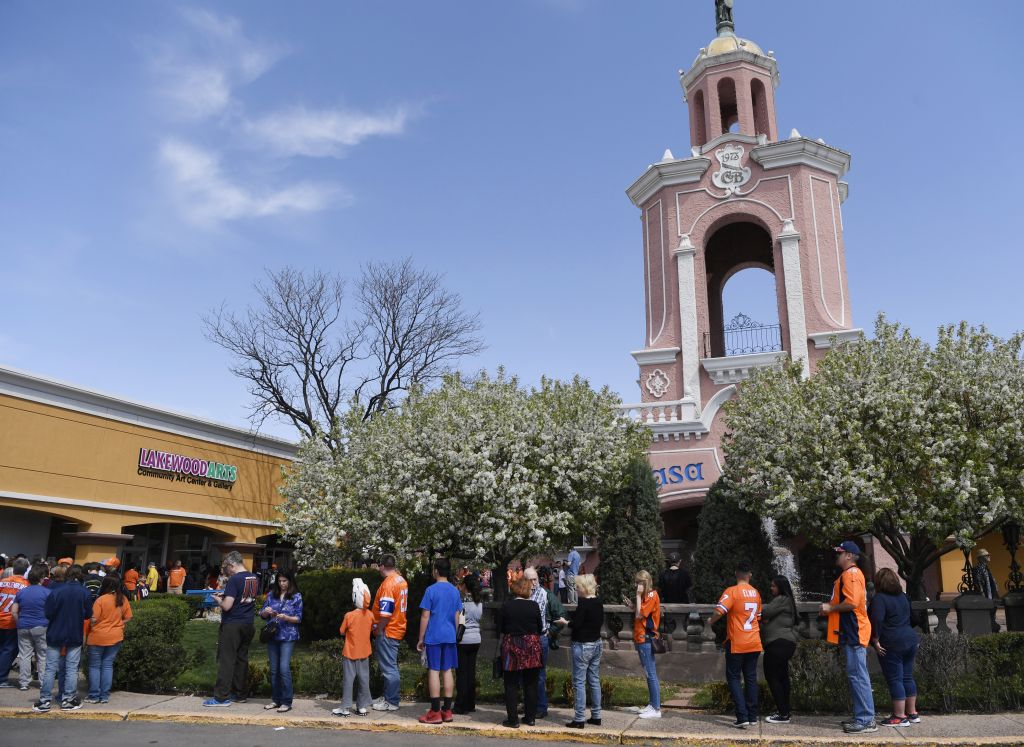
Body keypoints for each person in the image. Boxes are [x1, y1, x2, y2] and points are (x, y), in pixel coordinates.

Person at [822, 541, 876, 734]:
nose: (837, 555)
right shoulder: (850, 574)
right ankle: (862, 716)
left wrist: (831, 608)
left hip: (854, 632)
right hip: (851, 631)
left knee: (858, 677)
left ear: (849, 556)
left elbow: (852, 603)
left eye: (840, 552)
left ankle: (866, 720)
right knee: (856, 676)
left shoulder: (851, 574)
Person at [708, 561, 763, 729]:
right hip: (754, 641)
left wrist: (710, 621)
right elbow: (758, 617)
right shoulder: (756, 593)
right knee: (751, 678)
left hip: (737, 642)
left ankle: (742, 716)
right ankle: (753, 716)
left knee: (733, 678)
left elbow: (720, 610)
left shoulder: (731, 591)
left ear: (736, 573)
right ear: (750, 575)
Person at [34, 564, 93, 712]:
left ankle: (44, 701)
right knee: (72, 669)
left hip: (55, 632)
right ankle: (68, 700)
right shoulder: (84, 592)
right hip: (74, 633)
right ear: (80, 576)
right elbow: (88, 614)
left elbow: (48, 613)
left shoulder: (56, 591)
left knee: (50, 669)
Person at [203, 551, 259, 707]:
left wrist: (217, 599)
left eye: (225, 566)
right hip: (248, 623)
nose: (224, 570)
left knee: (227, 660)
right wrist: (226, 594)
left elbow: (227, 606)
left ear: (232, 564)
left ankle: (221, 697)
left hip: (233, 624)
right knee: (241, 659)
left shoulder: (234, 579)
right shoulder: (253, 577)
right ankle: (240, 693)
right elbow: (244, 596)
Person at [870, 568, 921, 727]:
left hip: (892, 642)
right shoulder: (904, 596)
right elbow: (915, 618)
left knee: (895, 679)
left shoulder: (879, 599)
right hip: (911, 639)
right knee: (907, 677)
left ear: (879, 583)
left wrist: (876, 639)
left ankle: (899, 716)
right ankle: (912, 713)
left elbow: (877, 620)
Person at [416, 558, 463, 724]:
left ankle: (435, 711)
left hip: (434, 636)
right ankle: (447, 710)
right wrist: (455, 634)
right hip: (450, 636)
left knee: (434, 671)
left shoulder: (431, 590)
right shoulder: (455, 591)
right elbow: (457, 615)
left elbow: (425, 615)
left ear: (436, 570)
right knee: (448, 670)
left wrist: (421, 638)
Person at [498, 576, 543, 728]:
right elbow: (540, 626)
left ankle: (513, 719)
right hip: (531, 646)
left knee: (511, 683)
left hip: (512, 645)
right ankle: (530, 717)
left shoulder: (507, 606)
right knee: (531, 683)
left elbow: (502, 627)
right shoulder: (534, 606)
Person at [259, 569, 303, 713]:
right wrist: (266, 612)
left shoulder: (296, 596)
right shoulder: (272, 595)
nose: (282, 583)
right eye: (279, 581)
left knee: (283, 668)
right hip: (273, 635)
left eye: (284, 581)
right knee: (274, 669)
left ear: (290, 581)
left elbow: (298, 618)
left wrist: (286, 618)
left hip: (288, 636)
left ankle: (286, 701)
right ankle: (275, 699)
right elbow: (262, 612)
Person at [86, 573, 133, 704]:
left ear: (105, 584)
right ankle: (104, 696)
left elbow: (93, 619)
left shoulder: (100, 600)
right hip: (116, 636)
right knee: (107, 665)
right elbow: (128, 617)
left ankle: (94, 695)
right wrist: (119, 624)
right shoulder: (123, 599)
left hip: (98, 636)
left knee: (95, 666)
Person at [371, 554, 408, 713]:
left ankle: (391, 701)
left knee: (389, 668)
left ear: (382, 566)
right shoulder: (401, 580)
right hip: (397, 627)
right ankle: (388, 697)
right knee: (389, 665)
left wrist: (379, 629)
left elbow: (385, 613)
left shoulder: (388, 584)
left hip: (388, 630)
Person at [565, 573, 602, 729]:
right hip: (596, 643)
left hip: (583, 645)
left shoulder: (583, 604)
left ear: (585, 588)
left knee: (579, 682)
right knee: (594, 680)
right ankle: (596, 715)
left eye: (578, 586)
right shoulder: (598, 602)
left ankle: (579, 718)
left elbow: (577, 624)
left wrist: (566, 622)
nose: (577, 589)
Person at [761, 575, 799, 724]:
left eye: (773, 586)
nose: (771, 588)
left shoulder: (782, 598)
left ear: (781, 587)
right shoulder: (787, 599)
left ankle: (783, 714)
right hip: (784, 643)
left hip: (778, 643)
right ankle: (785, 711)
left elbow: (764, 611)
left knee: (773, 677)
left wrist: (755, 603)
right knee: (782, 677)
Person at [332, 579, 374, 717]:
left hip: (350, 653)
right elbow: (373, 629)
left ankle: (345, 707)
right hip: (365, 653)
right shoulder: (371, 615)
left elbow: (341, 631)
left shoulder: (349, 616)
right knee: (363, 680)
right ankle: (361, 706)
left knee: (348, 681)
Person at [625, 569, 662, 719]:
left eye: (638, 582)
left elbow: (640, 615)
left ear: (644, 583)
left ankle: (656, 708)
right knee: (648, 673)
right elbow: (639, 612)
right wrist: (633, 605)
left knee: (651, 674)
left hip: (646, 638)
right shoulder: (648, 595)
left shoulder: (651, 595)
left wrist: (638, 596)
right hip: (641, 638)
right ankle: (652, 704)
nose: (636, 585)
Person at [12, 565, 50, 691]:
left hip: (23, 625)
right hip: (41, 626)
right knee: (42, 655)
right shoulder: (47, 592)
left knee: (24, 655)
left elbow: (14, 612)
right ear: (41, 578)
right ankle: (43, 682)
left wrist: (19, 623)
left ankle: (24, 683)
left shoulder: (21, 592)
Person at [522, 567, 551, 718]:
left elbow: (534, 614)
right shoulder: (524, 593)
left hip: (539, 638)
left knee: (539, 675)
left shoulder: (542, 593)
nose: (533, 583)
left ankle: (541, 707)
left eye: (535, 579)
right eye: (530, 580)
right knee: (525, 674)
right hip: (525, 638)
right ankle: (529, 704)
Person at [454, 575, 483, 714]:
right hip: (476, 638)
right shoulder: (479, 602)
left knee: (461, 674)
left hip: (463, 639)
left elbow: (459, 620)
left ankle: (460, 704)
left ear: (465, 586)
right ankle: (471, 703)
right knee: (471, 672)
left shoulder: (463, 602)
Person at [0, 558, 30, 687]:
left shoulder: (2, 582)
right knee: (9, 650)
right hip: (12, 621)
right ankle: (1, 678)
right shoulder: (26, 585)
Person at [973, 549, 1001, 632]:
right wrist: (982, 595)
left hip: (992, 595)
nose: (989, 556)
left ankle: (992, 627)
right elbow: (978, 583)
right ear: (981, 558)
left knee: (992, 613)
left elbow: (991, 581)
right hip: (985, 595)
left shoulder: (986, 568)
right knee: (987, 614)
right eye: (986, 555)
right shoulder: (977, 568)